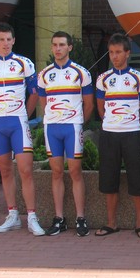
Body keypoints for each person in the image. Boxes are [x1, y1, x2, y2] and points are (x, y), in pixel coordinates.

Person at [0, 22, 42, 236]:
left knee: (25, 170)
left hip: (18, 122)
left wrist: (25, 114)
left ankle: (32, 217)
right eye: (1, 39)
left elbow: (34, 92)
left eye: (9, 39)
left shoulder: (24, 63)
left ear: (14, 41)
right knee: (5, 171)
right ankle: (12, 215)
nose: (5, 43)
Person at [37, 31, 94, 237]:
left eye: (62, 45)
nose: (58, 48)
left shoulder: (81, 73)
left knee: (75, 171)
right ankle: (59, 218)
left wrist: (78, 122)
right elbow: (44, 104)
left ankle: (80, 218)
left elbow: (89, 105)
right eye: (55, 45)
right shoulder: (44, 74)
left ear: (70, 47)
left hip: (72, 127)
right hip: (52, 127)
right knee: (56, 172)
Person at [95, 33, 140, 237]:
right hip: (109, 135)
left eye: (118, 52)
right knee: (109, 180)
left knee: (137, 179)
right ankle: (111, 223)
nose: (114, 56)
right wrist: (111, 124)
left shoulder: (138, 78)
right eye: (111, 52)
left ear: (127, 53)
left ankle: (139, 224)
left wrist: (134, 126)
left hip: (132, 135)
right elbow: (101, 108)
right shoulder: (103, 79)